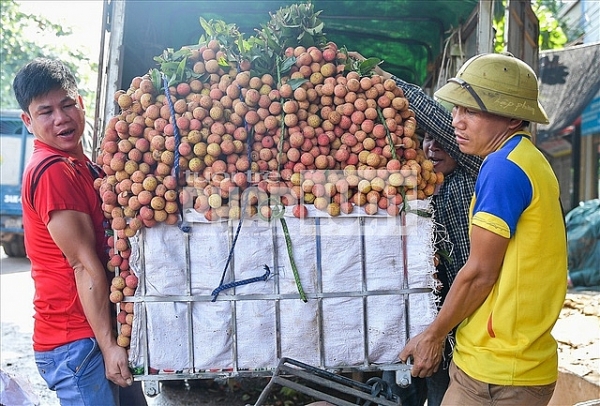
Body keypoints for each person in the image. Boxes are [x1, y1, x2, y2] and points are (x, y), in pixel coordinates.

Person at [395, 52, 567, 406]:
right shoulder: (523, 159)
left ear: (513, 117)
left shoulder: (504, 168)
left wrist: (434, 335)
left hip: (502, 372)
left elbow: (480, 274)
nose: (457, 121)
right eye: (456, 109)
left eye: (470, 111)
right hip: (488, 361)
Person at [349, 51, 482, 406]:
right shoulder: (420, 187)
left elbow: (436, 122)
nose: (432, 145)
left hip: (461, 323)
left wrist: (381, 77)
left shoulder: (476, 174)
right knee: (400, 394)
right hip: (417, 316)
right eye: (426, 139)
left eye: (441, 139)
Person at [13, 58, 146, 405]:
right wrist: (108, 345)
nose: (61, 118)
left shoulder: (85, 167)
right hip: (77, 342)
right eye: (46, 112)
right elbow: (83, 266)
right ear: (28, 121)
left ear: (81, 103)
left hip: (97, 333)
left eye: (67, 104)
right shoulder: (53, 171)